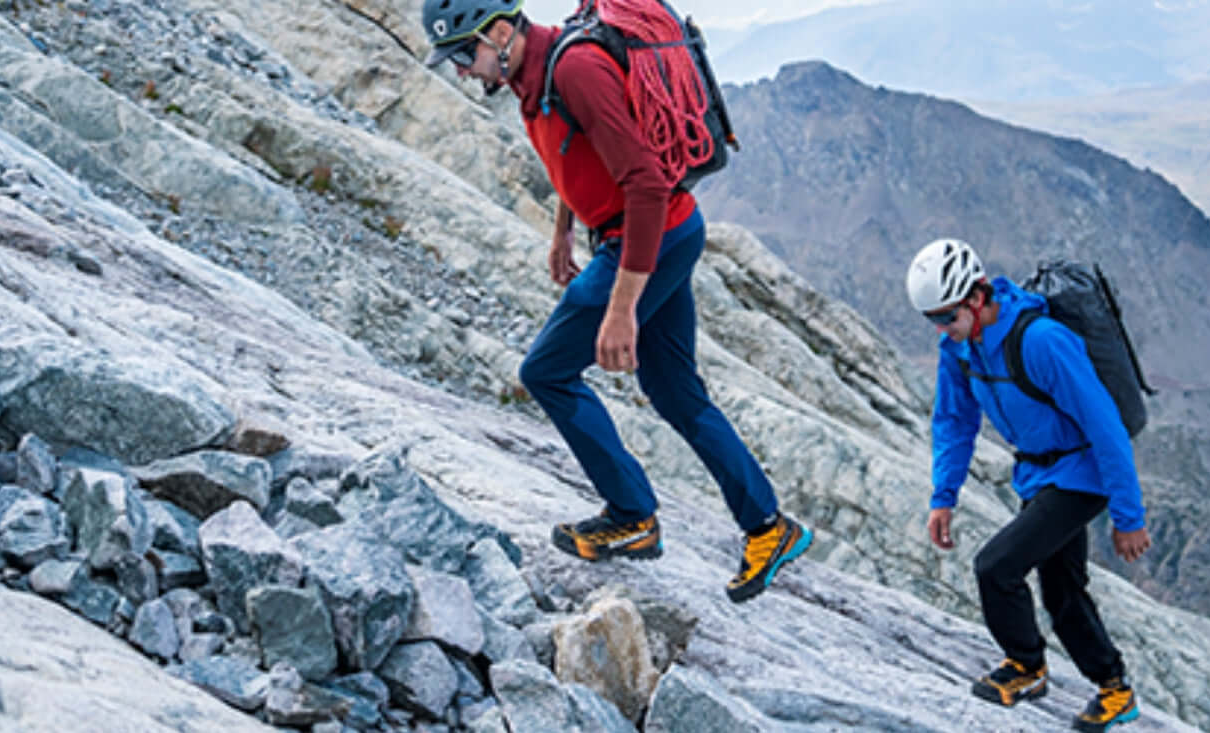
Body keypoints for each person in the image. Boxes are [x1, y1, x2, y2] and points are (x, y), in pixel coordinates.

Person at [418, 0, 809, 603]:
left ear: (499, 32)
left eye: (464, 55)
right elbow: (579, 156)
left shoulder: (573, 69)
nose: (462, 71)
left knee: (546, 371)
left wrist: (623, 304)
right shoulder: (533, 75)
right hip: (661, 233)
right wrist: (563, 228)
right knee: (676, 390)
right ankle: (769, 527)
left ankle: (631, 515)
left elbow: (647, 184)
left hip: (647, 237)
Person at [906, 238, 1151, 731]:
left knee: (996, 567)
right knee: (1062, 588)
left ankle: (1026, 667)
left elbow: (1105, 427)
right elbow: (954, 421)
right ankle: (1114, 689)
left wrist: (1128, 517)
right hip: (1037, 473)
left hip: (1082, 474)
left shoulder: (1041, 341)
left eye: (947, 317)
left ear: (977, 298)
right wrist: (943, 497)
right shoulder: (960, 347)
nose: (942, 329)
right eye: (933, 320)